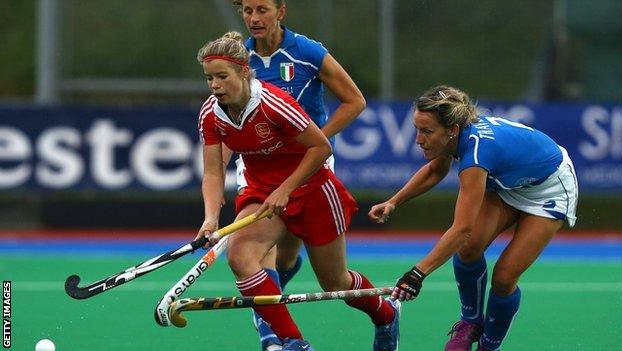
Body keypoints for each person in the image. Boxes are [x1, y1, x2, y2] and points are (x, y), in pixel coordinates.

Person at [195, 31, 400, 351]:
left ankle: (386, 314)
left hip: (312, 188)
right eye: (209, 78)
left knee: (336, 283)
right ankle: (294, 342)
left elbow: (320, 147)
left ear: (243, 72)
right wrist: (210, 219)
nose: (215, 85)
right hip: (262, 190)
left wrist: (287, 189)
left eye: (222, 76)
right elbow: (212, 170)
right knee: (241, 255)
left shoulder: (274, 104)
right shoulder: (211, 113)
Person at [369, 85, 578, 351]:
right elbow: (435, 171)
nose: (419, 139)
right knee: (469, 250)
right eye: (417, 130)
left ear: (452, 130)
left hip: (549, 188)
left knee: (503, 278)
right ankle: (470, 323)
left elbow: (462, 229)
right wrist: (393, 201)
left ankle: (489, 346)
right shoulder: (454, 136)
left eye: (427, 131)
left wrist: (416, 274)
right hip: (508, 182)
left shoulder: (476, 156)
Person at [230, 1, 367, 349]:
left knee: (289, 257)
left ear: (281, 11)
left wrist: (318, 140)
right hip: (258, 168)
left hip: (308, 166)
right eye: (247, 10)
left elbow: (354, 101)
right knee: (254, 252)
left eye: (262, 9)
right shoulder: (238, 59)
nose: (254, 19)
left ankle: (277, 295)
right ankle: (274, 338)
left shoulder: (307, 52)